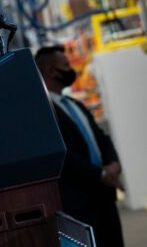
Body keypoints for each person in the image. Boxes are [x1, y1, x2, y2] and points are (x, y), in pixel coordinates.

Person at [35, 45, 124, 247]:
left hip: (104, 198)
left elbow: (102, 138)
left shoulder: (75, 105)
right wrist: (100, 174)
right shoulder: (46, 113)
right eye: (66, 65)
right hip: (79, 205)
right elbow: (66, 156)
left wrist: (114, 164)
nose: (71, 69)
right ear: (52, 72)